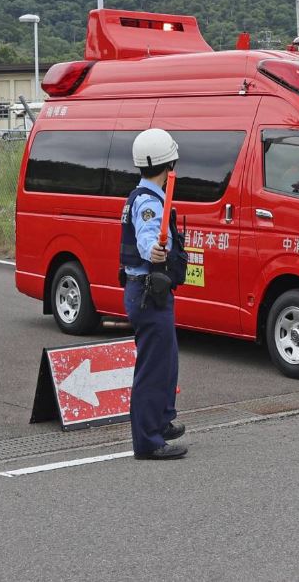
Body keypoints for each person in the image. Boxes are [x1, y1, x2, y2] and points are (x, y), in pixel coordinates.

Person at [120, 128, 188, 460]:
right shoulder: (148, 202)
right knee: (152, 369)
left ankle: (161, 421)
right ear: (167, 162)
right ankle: (148, 440)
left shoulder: (149, 195)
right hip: (147, 293)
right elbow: (149, 238)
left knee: (167, 361)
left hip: (150, 293)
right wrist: (155, 252)